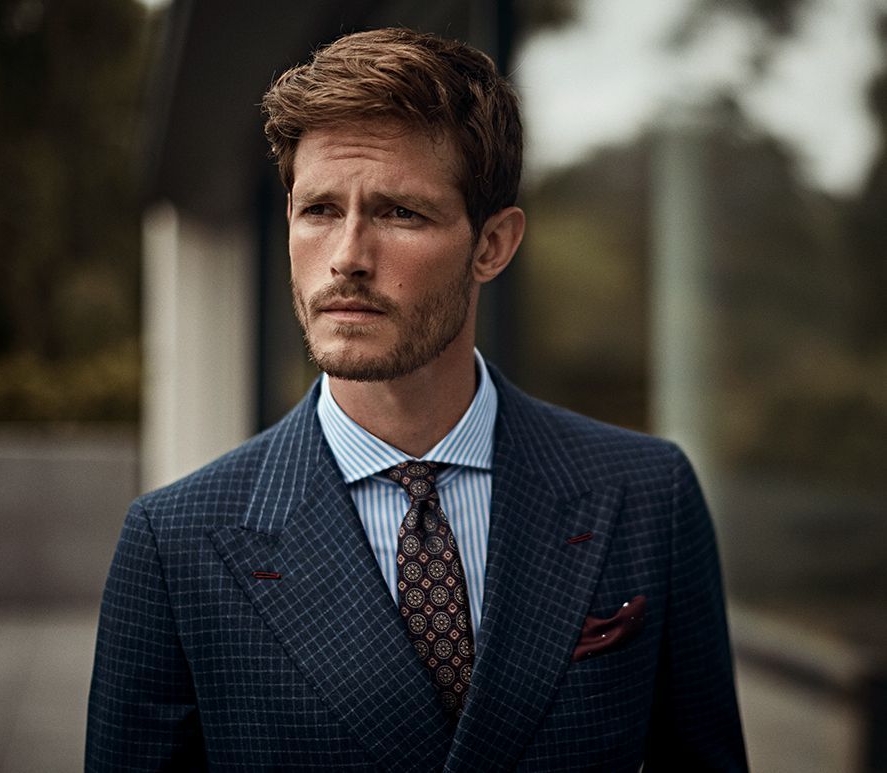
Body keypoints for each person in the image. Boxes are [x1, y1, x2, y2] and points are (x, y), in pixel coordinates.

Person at [86, 27, 747, 772]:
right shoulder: (175, 542)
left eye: (400, 212)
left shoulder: (648, 496)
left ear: (492, 246)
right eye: (319, 210)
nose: (347, 258)